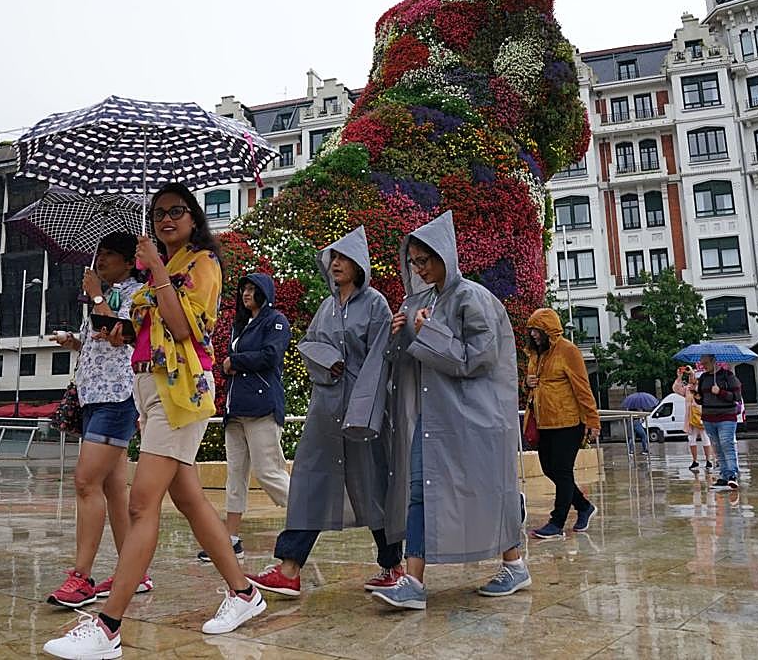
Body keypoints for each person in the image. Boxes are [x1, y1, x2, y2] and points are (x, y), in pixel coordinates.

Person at [44, 184, 264, 660]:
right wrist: (113, 319)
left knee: (142, 505)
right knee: (189, 498)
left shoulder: (202, 263)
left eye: (176, 211)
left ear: (193, 217)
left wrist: (157, 269)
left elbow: (186, 328)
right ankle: (245, 593)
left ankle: (108, 626)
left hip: (180, 393)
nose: (166, 219)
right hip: (149, 393)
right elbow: (136, 335)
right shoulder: (156, 271)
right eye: (159, 212)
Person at [363, 212, 529, 609]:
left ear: (446, 256)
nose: (419, 268)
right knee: (423, 491)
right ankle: (414, 580)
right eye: (414, 261)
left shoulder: (473, 297)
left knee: (488, 491)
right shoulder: (424, 300)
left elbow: (480, 358)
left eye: (426, 259)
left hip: (473, 419)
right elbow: (415, 360)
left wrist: (426, 332)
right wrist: (400, 333)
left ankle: (515, 563)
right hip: (434, 417)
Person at [247, 226, 405, 598]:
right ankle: (289, 569)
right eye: (332, 257)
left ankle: (393, 566)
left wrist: (366, 405)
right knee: (310, 479)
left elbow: (381, 359)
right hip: (325, 407)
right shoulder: (327, 306)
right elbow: (311, 344)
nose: (334, 263)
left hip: (363, 408)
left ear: (359, 265)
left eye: (342, 258)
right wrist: (327, 361)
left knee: (372, 482)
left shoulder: (377, 304)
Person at [46, 232, 153, 608]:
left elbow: (122, 336)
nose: (101, 260)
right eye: (100, 253)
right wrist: (73, 341)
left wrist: (95, 295)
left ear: (128, 261)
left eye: (109, 255)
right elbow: (97, 338)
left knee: (85, 481)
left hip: (116, 399)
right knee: (112, 491)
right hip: (93, 397)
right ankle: (134, 572)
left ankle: (81, 577)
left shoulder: (134, 293)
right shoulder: (110, 295)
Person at [207, 272, 291, 562]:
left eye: (253, 289)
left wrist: (235, 362)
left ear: (264, 292)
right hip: (236, 410)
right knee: (235, 475)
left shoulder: (276, 321)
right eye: (243, 288)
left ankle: (304, 519)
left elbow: (271, 355)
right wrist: (228, 365)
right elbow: (228, 363)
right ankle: (230, 539)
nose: (246, 293)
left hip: (261, 407)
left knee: (269, 471)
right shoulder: (239, 325)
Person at [526, 308, 600, 539]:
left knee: (562, 470)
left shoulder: (568, 350)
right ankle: (584, 506)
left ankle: (556, 522)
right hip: (544, 422)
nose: (534, 335)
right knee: (549, 468)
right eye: (531, 331)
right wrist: (527, 383)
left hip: (568, 422)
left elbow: (582, 387)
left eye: (537, 330)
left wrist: (592, 420)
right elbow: (534, 387)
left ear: (549, 330)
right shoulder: (536, 354)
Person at [697, 354, 742, 491]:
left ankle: (732, 476)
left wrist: (720, 392)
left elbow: (737, 397)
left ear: (713, 361)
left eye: (705, 363)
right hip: (709, 418)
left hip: (726, 417)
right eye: (702, 363)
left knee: (726, 444)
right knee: (717, 447)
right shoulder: (704, 378)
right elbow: (701, 398)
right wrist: (697, 397)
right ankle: (724, 476)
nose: (703, 366)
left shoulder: (728, 376)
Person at [673, 366, 714, 472]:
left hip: (702, 417)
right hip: (691, 418)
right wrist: (680, 377)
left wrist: (694, 384)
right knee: (691, 439)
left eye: (694, 376)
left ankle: (708, 460)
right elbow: (676, 389)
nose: (692, 378)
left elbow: (702, 395)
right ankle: (695, 460)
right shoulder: (687, 389)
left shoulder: (703, 388)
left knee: (706, 439)